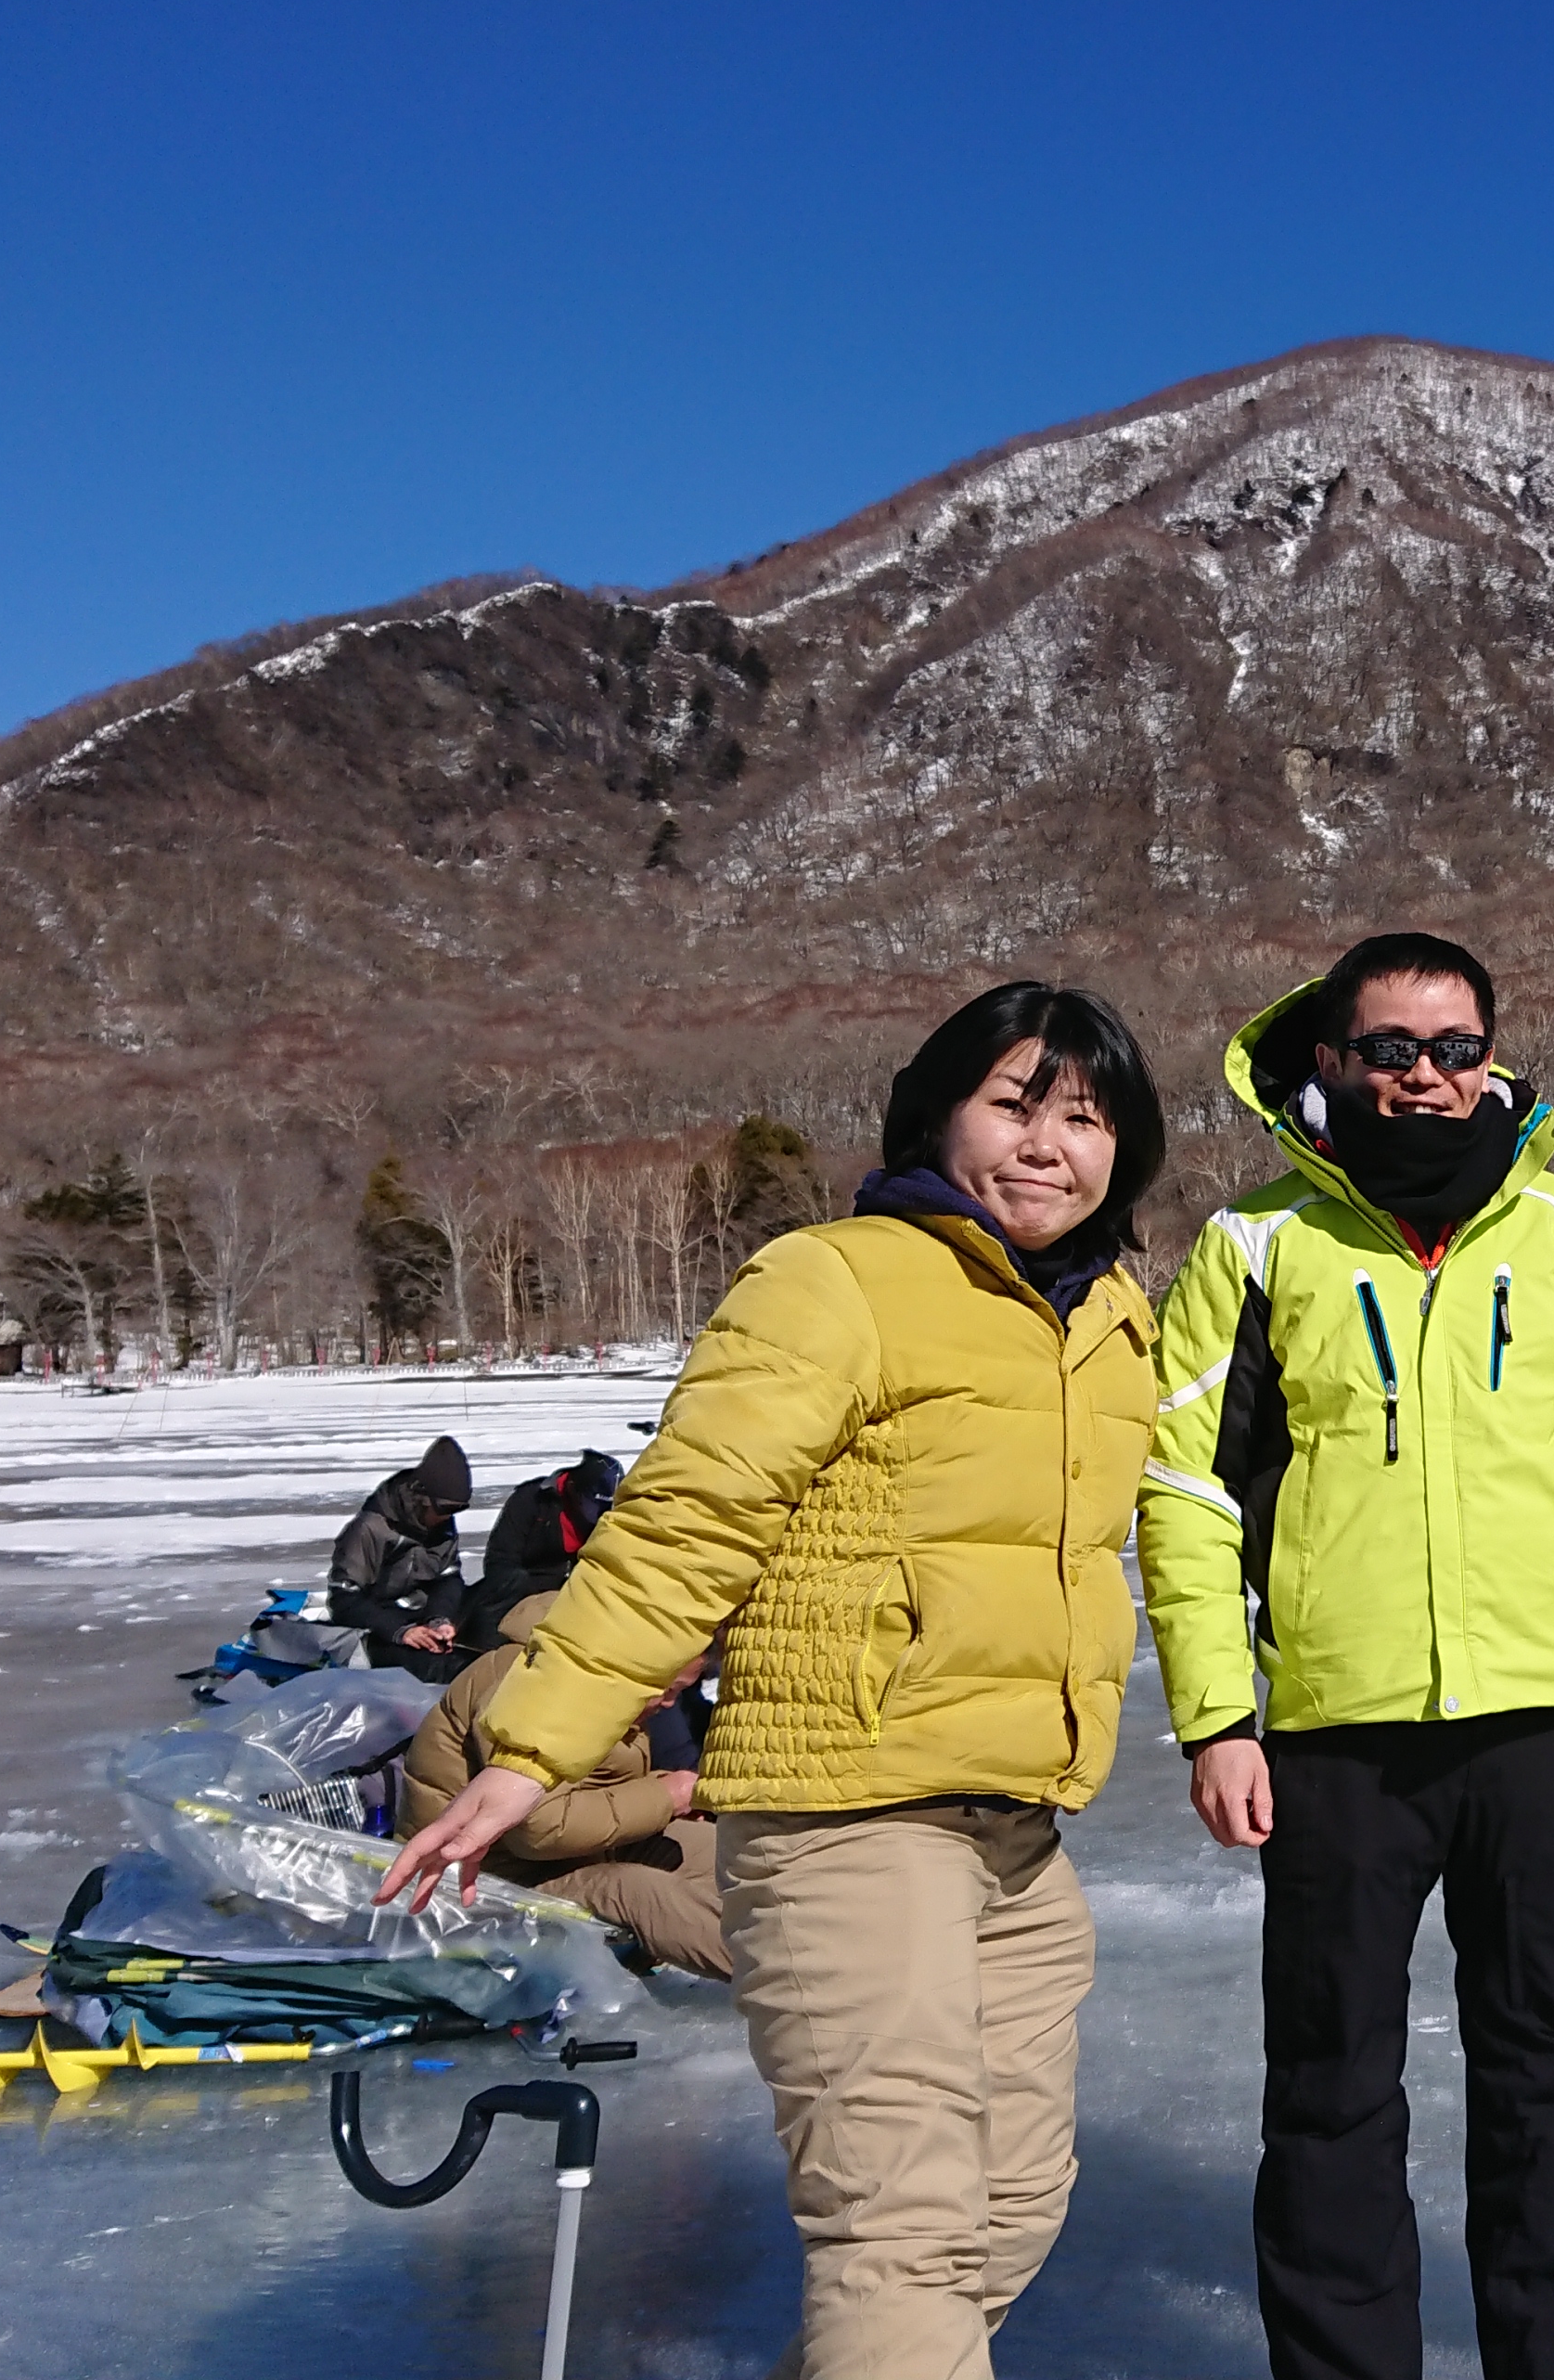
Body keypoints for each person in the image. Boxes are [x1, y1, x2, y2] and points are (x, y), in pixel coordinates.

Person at [378, 981, 1167, 2380]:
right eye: (1015, 1107)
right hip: (845, 1818)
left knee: (1010, 2211)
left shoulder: (1108, 1317)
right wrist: (535, 1750)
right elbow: (686, 1524)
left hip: (1018, 1832)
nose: (1050, 1146)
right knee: (903, 2233)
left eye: (1087, 1119)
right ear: (935, 1114)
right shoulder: (837, 1278)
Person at [1138, 932, 1554, 2380]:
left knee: (1541, 2072)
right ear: (1330, 1062)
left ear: (1493, 1062)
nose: (1424, 1076)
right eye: (1390, 1049)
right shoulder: (1257, 1246)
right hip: (1339, 1734)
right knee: (1332, 2087)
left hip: (1542, 1724)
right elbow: (1188, 1489)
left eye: (1455, 1049)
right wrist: (1218, 1714)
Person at [397, 1589, 726, 1979]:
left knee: (724, 1852)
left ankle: (799, 1932)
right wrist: (663, 1796)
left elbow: (594, 1788)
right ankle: (791, 1977)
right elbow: (537, 1828)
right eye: (668, 1688)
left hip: (574, 1853)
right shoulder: (524, 1678)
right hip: (487, 1879)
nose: (670, 1703)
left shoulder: (612, 1684)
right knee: (634, 1891)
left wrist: (668, 1790)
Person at [328, 1435, 473, 1676]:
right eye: (445, 1509)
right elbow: (343, 1600)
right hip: (376, 1627)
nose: (450, 1516)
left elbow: (448, 1577)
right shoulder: (371, 1528)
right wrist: (400, 1631)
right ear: (422, 1499)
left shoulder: (443, 1523)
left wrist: (441, 1620)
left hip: (420, 1614)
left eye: (458, 1509)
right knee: (435, 1667)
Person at [461, 1449, 625, 1646]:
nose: (599, 1513)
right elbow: (500, 1560)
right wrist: (534, 1600)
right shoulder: (532, 1499)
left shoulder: (608, 1518)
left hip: (571, 1594)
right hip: (519, 1594)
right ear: (573, 1488)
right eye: (593, 1504)